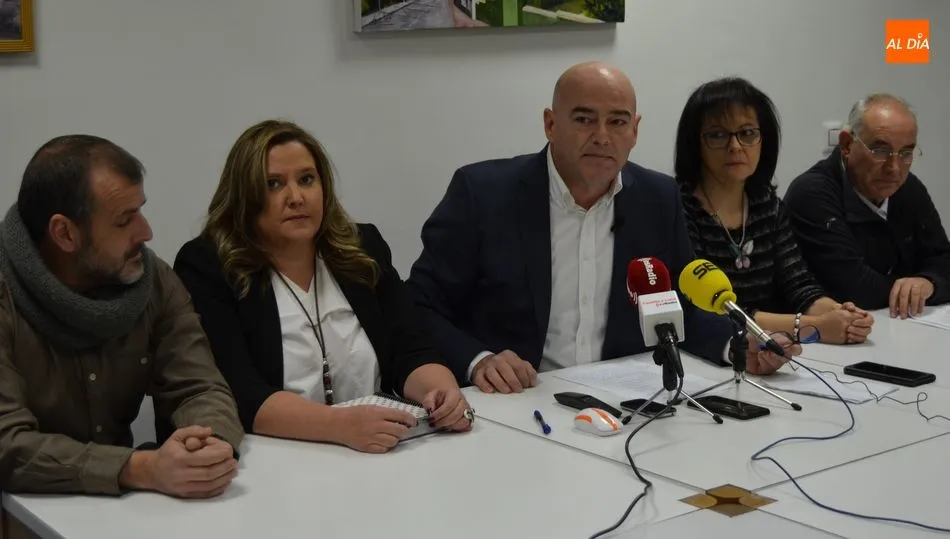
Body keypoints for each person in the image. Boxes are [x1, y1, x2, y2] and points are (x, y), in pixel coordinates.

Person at [406, 62, 798, 394]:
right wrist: (478, 360)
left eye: (617, 122)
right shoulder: (483, 194)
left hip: (621, 398)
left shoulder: (658, 198)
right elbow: (418, 305)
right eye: (584, 120)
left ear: (635, 131)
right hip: (516, 399)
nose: (602, 137)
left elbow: (678, 310)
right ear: (550, 124)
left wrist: (739, 346)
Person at [174, 120, 473, 455]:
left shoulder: (362, 248)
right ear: (245, 196)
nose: (296, 198)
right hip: (273, 456)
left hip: (374, 447)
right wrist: (340, 426)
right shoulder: (209, 266)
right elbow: (239, 391)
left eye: (306, 180)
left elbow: (411, 348)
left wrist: (442, 392)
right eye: (273, 184)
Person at [0, 135, 243, 499]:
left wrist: (209, 444)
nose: (146, 232)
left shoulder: (153, 280)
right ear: (65, 233)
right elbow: (6, 444)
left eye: (140, 210)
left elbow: (199, 387)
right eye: (124, 220)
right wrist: (138, 468)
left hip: (122, 510)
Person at [675, 77, 874, 345]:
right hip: (714, 352)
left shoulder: (767, 206)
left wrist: (842, 313)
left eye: (747, 133)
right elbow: (709, 311)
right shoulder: (678, 207)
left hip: (773, 350)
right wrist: (812, 326)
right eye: (718, 135)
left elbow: (798, 285)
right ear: (695, 143)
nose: (735, 146)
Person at [785, 93, 950, 319]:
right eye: (880, 151)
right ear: (847, 145)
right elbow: (854, 287)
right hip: (830, 331)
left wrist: (928, 283)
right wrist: (911, 288)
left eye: (906, 153)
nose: (894, 168)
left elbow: (943, 259)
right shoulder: (811, 194)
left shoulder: (907, 188)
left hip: (902, 325)